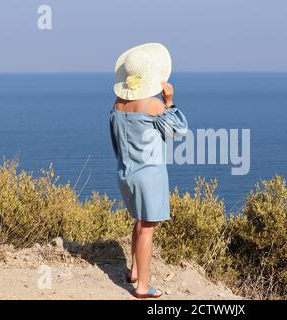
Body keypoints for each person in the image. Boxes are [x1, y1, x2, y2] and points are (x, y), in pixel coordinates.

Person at [109, 43, 188, 299]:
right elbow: (177, 131)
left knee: (139, 221)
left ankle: (134, 270)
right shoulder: (152, 105)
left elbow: (116, 139)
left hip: (126, 172)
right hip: (149, 174)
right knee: (147, 228)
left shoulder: (118, 104)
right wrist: (170, 102)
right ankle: (142, 286)